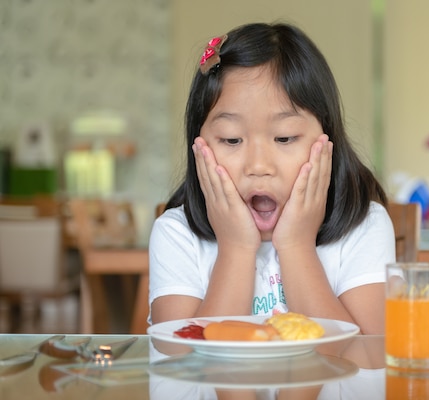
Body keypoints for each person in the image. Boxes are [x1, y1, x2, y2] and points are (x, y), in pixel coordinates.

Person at [148, 22, 395, 335]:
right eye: (232, 140)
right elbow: (180, 361)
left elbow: (367, 358)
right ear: (198, 146)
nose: (259, 165)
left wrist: (297, 245)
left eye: (285, 138)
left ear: (327, 141)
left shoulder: (365, 225)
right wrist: (236, 248)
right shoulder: (177, 233)